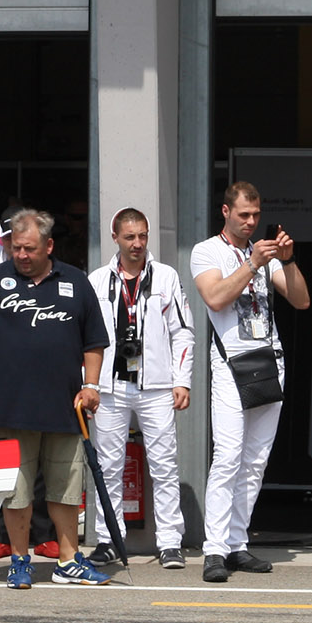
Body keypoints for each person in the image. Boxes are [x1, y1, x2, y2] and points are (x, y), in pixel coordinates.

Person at [0, 210, 112, 589]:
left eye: (29, 248)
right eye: (16, 248)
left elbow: (95, 341)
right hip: (8, 407)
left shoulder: (76, 281)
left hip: (64, 406)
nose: (21, 255)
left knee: (66, 488)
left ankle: (69, 561)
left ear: (49, 245)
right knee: (16, 492)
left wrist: (92, 386)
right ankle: (19, 560)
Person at [190, 181, 310, 582]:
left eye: (256, 215)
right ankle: (214, 549)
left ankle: (237, 543)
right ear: (226, 212)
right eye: (244, 214)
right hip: (231, 364)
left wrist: (288, 261)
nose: (251, 222)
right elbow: (215, 298)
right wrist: (253, 263)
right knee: (227, 456)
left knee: (255, 460)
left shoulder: (264, 252)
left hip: (269, 361)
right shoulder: (207, 251)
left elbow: (301, 300)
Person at [85, 208, 192, 567]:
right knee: (108, 467)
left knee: (164, 464)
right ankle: (109, 540)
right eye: (130, 237)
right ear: (115, 237)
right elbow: (85, 338)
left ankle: (170, 542)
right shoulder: (97, 280)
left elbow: (183, 331)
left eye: (142, 236)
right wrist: (88, 384)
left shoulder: (166, 276)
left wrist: (182, 380)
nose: (137, 243)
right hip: (110, 386)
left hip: (157, 386)